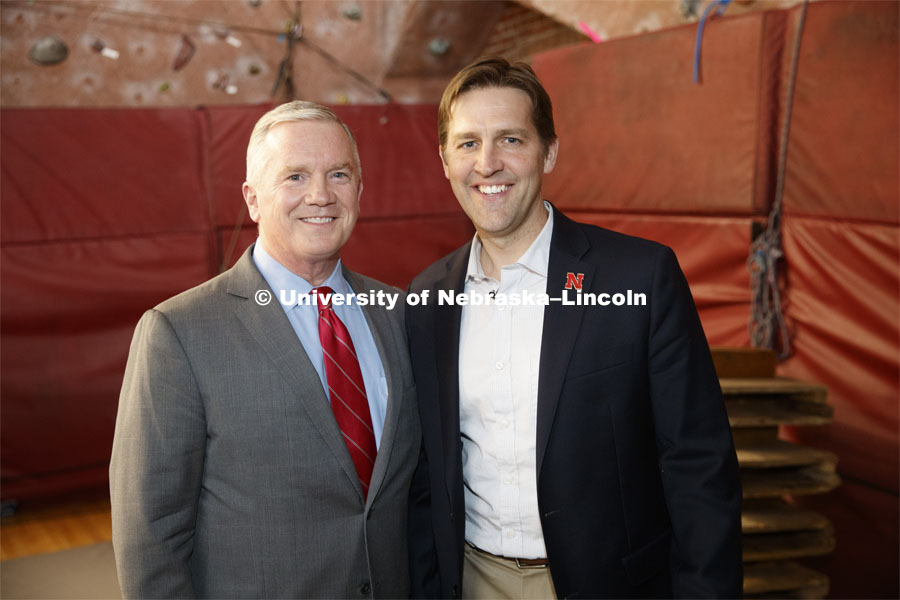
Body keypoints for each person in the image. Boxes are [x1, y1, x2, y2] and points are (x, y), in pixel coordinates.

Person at [406, 58, 742, 599]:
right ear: (445, 160)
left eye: (510, 139)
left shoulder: (640, 277)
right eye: (467, 144)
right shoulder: (424, 301)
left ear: (550, 152)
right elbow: (423, 478)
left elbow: (698, 464)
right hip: (471, 581)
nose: (487, 163)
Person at [110, 101, 419, 598]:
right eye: (294, 176)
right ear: (253, 200)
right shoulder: (178, 332)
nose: (320, 195)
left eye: (337, 174)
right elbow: (150, 532)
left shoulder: (399, 313)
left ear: (359, 192)